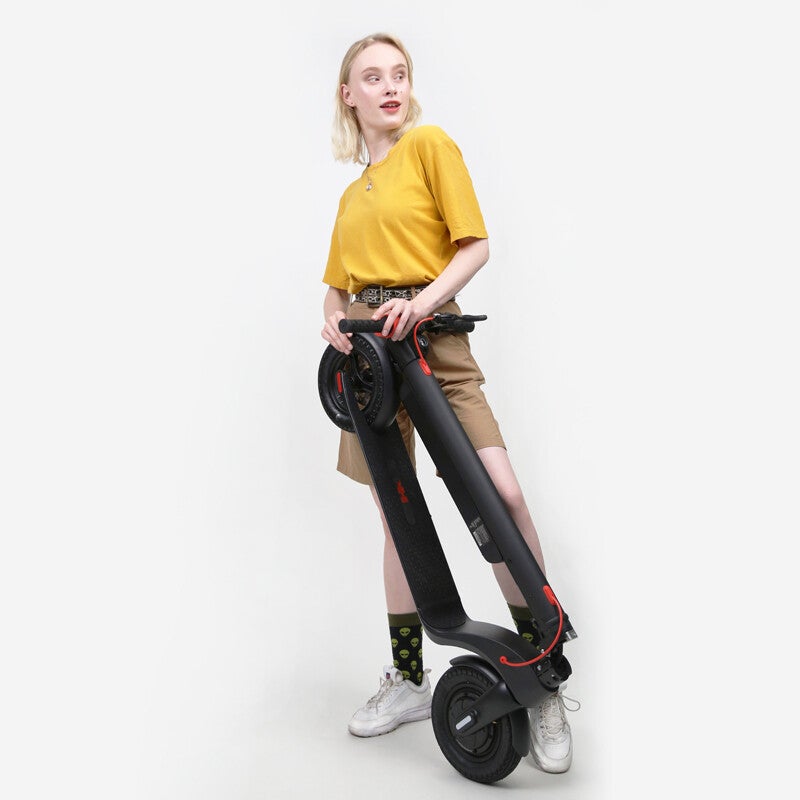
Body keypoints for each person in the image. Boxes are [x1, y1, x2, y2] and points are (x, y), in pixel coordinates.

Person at [320, 32, 577, 774]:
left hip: (434, 345)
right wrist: (332, 319)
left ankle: (542, 673)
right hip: (367, 366)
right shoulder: (351, 195)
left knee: (502, 496)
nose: (389, 87)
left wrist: (422, 303)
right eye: (373, 77)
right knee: (398, 524)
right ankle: (408, 680)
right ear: (349, 96)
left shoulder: (429, 147)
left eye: (398, 74)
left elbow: (474, 246)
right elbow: (336, 286)